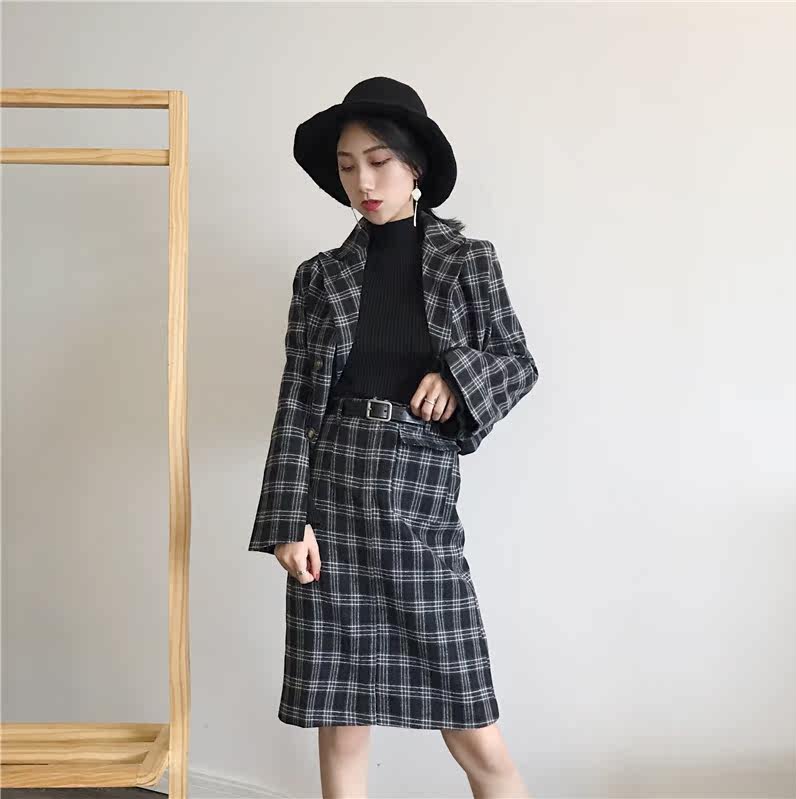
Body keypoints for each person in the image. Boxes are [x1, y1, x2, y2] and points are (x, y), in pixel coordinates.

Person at [248, 76, 538, 798]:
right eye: (348, 167)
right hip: (333, 502)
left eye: (378, 162)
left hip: (419, 502)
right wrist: (287, 521)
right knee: (341, 726)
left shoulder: (468, 262)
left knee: (476, 733)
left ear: (415, 167)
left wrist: (457, 376)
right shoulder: (320, 278)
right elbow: (297, 403)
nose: (364, 182)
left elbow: (517, 362)